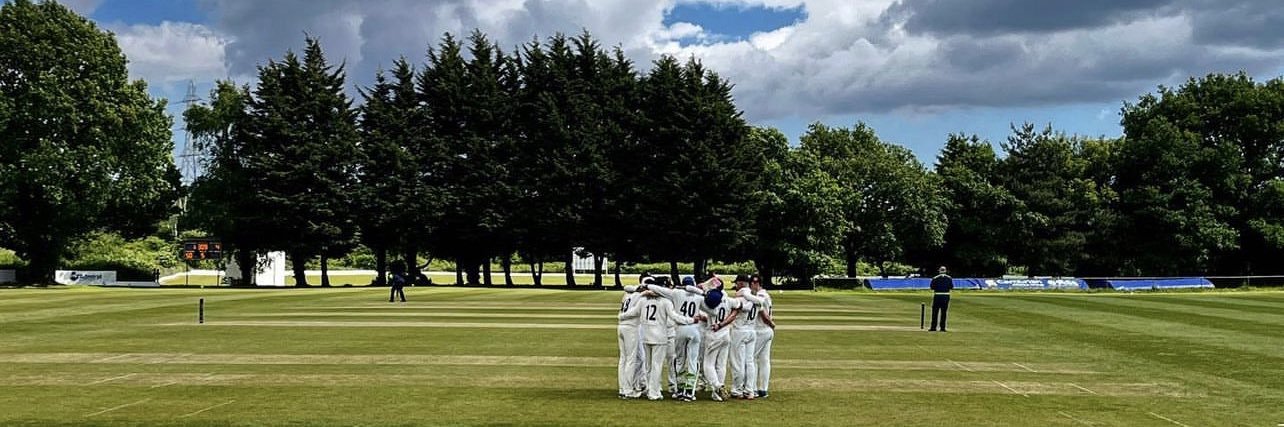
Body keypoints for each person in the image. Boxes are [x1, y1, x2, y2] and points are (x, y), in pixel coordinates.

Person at [619, 287, 699, 401]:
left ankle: (649, 389)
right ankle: (654, 392)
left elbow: (632, 312)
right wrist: (691, 320)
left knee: (648, 366)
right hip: (660, 337)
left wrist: (621, 316)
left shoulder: (643, 301)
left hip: (646, 336)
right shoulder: (665, 302)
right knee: (656, 365)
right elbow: (675, 317)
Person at [699, 281, 739, 402]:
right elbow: (738, 307)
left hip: (713, 334)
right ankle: (717, 394)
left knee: (708, 364)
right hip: (726, 334)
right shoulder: (728, 299)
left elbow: (705, 315)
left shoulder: (710, 299)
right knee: (721, 364)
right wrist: (725, 322)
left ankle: (718, 386)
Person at [729, 274, 765, 400]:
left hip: (740, 331)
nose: (736, 286)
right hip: (751, 330)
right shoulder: (755, 297)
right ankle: (749, 390)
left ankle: (737, 389)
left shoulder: (743, 298)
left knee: (738, 361)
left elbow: (734, 311)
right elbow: (760, 304)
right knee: (749, 362)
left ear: (742, 283)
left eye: (737, 283)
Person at [617, 281, 645, 399]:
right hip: (631, 328)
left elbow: (627, 287)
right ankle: (628, 390)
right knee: (630, 359)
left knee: (624, 359)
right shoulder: (639, 297)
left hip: (621, 327)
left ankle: (623, 388)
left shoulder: (628, 295)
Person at [750, 274, 776, 399]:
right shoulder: (766, 294)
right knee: (764, 360)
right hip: (767, 331)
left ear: (756, 283)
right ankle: (763, 389)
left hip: (761, 330)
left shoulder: (760, 296)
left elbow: (763, 314)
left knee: (752, 358)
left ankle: (753, 388)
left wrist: (771, 323)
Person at [929, 266, 953, 332]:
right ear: (945, 271)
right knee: (944, 312)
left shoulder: (935, 278)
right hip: (946, 296)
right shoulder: (949, 278)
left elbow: (932, 287)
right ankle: (942, 328)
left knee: (935, 312)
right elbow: (951, 287)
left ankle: (933, 327)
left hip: (937, 295)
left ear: (939, 271)